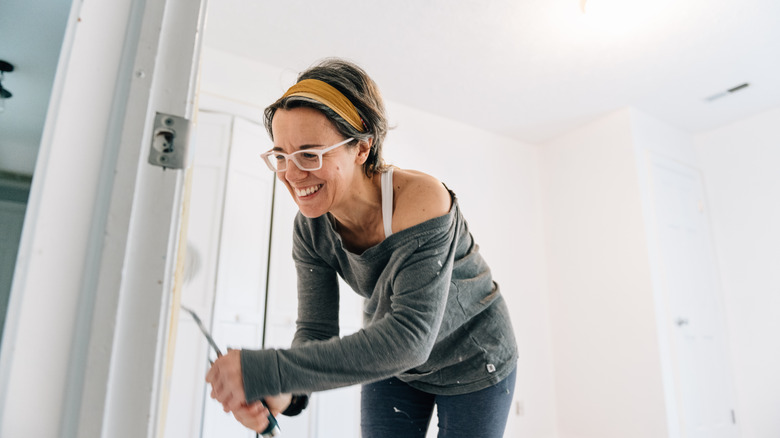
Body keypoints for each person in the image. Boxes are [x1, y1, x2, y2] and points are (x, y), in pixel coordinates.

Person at [206, 58, 518, 438]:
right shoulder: (311, 229)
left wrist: (269, 369)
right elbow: (316, 329)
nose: (291, 174)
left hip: (475, 359)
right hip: (395, 363)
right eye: (282, 156)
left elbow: (410, 339)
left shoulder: (422, 200)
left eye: (310, 154)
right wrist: (283, 392)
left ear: (362, 147)